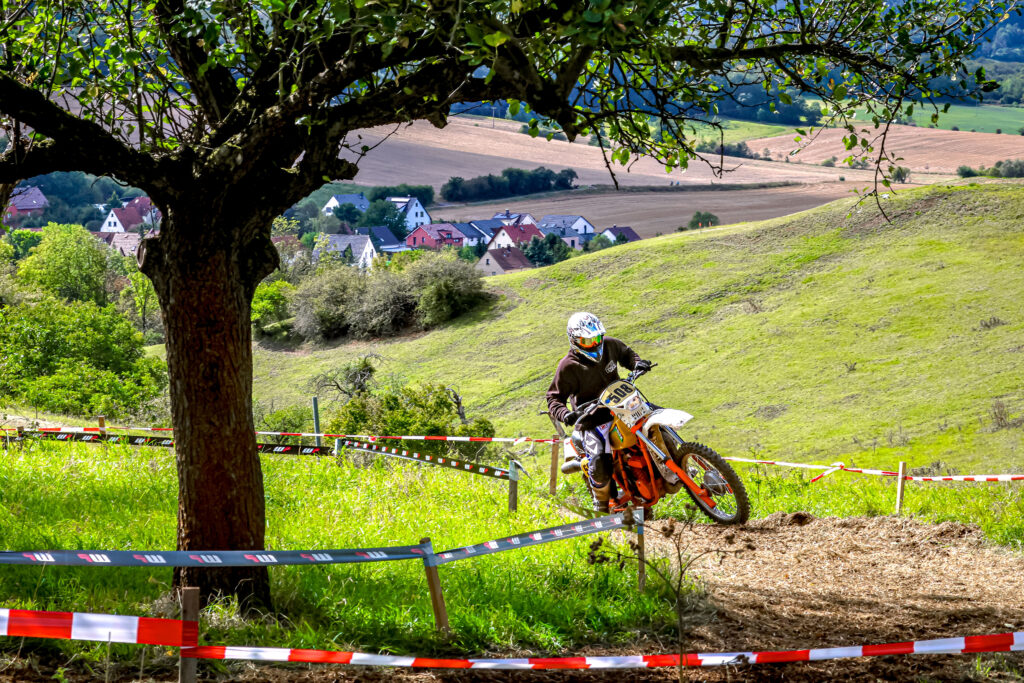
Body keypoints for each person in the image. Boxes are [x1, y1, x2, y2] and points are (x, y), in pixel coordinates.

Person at [546, 312, 652, 512]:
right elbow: (553, 398)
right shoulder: (568, 366)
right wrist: (566, 414)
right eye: (588, 340)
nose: (595, 343)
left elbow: (627, 354)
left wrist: (637, 363)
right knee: (601, 465)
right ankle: (601, 505)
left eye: (597, 337)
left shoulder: (610, 344)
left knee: (655, 417)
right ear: (575, 340)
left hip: (623, 405)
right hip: (593, 419)